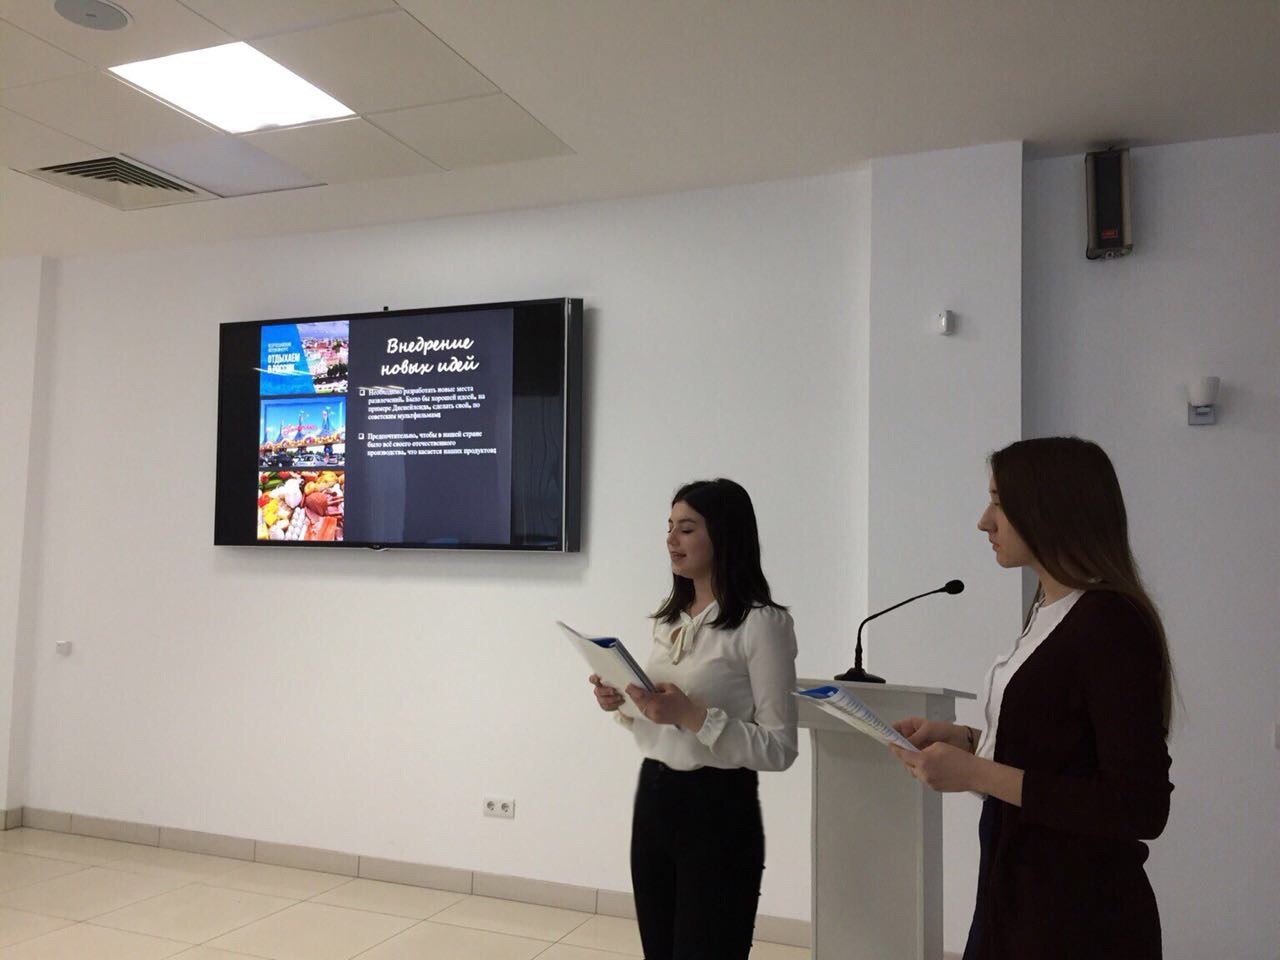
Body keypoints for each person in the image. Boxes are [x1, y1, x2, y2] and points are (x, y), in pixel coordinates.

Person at [888, 437, 1174, 959]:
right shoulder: (1048, 609)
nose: (984, 522)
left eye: (999, 502)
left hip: (1078, 917)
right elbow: (1061, 749)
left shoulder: (1110, 624)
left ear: (1049, 508)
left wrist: (975, 773)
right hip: (1016, 892)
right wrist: (966, 740)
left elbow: (1138, 806)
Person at [589, 478, 798, 960]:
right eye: (669, 528)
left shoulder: (761, 623)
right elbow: (659, 718)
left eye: (686, 529)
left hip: (718, 809)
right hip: (655, 796)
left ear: (724, 534)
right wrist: (623, 703)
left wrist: (694, 716)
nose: (671, 540)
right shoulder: (669, 620)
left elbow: (779, 748)